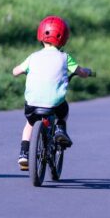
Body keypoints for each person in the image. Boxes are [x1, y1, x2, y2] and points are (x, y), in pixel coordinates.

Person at [12, 15, 93, 171]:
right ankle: (60, 129)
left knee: (29, 124)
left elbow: (15, 71)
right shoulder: (65, 58)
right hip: (55, 104)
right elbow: (81, 72)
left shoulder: (33, 57)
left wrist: (21, 72)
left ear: (41, 35)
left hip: (32, 104)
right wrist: (87, 72)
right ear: (64, 39)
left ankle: (23, 153)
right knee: (64, 110)